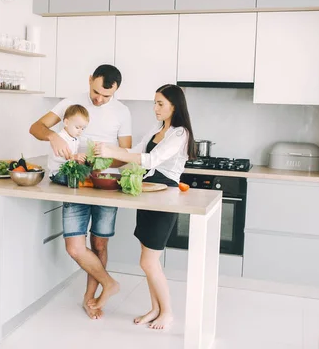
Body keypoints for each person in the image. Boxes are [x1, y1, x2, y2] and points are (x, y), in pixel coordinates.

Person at [29, 64, 132, 320]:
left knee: (99, 243)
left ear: (115, 91)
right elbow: (36, 128)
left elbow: (125, 156)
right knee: (75, 248)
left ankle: (91, 299)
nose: (99, 99)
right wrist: (54, 137)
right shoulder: (71, 103)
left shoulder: (122, 112)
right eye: (96, 92)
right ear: (89, 80)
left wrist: (98, 160)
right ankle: (109, 283)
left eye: (106, 96)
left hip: (105, 183)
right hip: (75, 182)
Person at [94, 84, 196, 330]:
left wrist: (110, 151)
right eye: (155, 103)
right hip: (148, 191)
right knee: (149, 260)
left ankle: (167, 312)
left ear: (175, 105)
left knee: (148, 262)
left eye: (160, 103)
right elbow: (137, 150)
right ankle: (155, 309)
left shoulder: (180, 133)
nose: (155, 108)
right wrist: (107, 151)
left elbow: (152, 159)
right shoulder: (158, 128)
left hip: (165, 194)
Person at [48, 104, 89, 184]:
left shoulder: (75, 139)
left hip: (69, 171)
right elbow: (56, 157)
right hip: (58, 173)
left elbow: (74, 157)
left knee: (85, 175)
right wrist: (73, 157)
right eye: (77, 127)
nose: (80, 131)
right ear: (66, 122)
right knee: (74, 181)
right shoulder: (60, 138)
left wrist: (79, 160)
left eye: (83, 128)